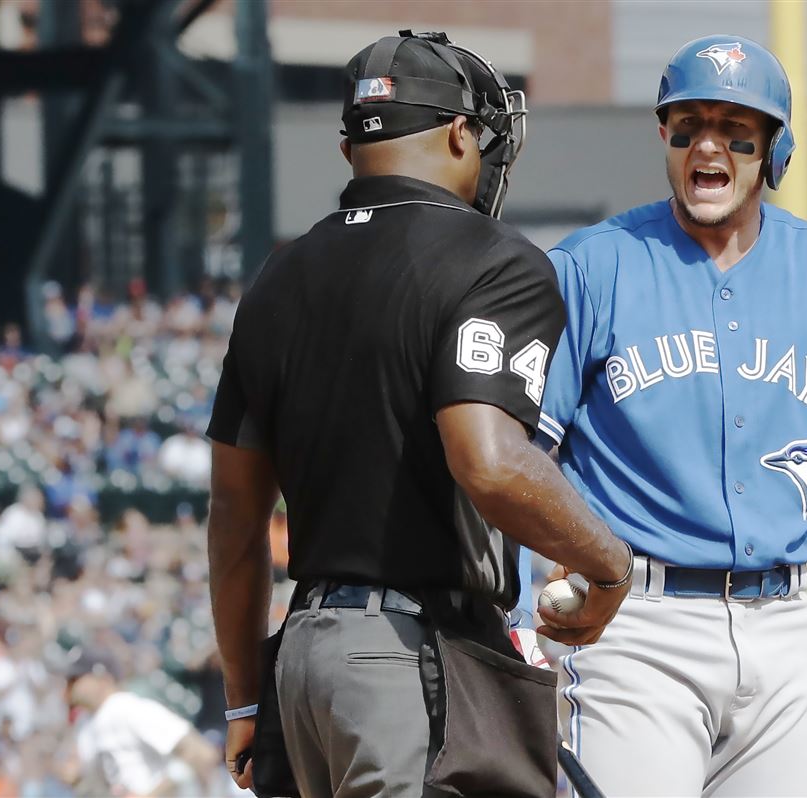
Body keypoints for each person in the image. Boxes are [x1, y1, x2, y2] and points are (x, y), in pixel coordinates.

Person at [530, 35, 807, 796]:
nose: (707, 146)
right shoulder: (593, 263)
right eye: (687, 125)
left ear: (774, 149)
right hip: (632, 621)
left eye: (736, 129)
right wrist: (510, 611)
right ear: (664, 138)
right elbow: (515, 459)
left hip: (782, 627)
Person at [205, 31, 632, 798]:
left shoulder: (279, 275)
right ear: (462, 133)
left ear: (350, 148)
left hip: (304, 658)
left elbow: (235, 515)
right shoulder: (494, 258)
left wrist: (243, 696)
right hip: (408, 657)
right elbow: (490, 461)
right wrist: (609, 564)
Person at [60, 646, 221, 796]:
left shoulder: (129, 709)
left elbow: (202, 752)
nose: (70, 687)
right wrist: (77, 780)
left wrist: (153, 794)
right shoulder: (87, 726)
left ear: (103, 677)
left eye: (76, 679)